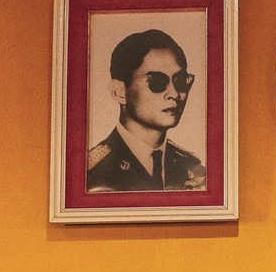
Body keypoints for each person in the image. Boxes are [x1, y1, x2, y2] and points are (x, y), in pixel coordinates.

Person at [85, 29, 206, 192]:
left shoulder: (193, 170)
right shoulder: (92, 175)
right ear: (119, 92)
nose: (175, 94)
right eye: (157, 81)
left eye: (181, 81)